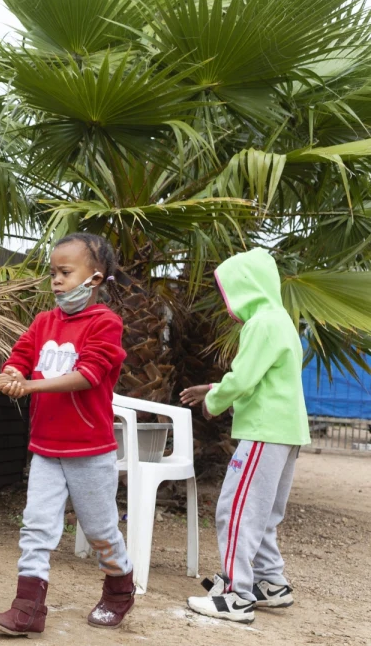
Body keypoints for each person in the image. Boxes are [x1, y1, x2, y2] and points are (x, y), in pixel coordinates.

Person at [0, 232, 134, 636]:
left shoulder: (106, 323)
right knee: (36, 526)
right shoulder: (43, 322)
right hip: (46, 449)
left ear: (96, 278)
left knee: (101, 530)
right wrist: (12, 373)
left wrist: (29, 386)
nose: (56, 281)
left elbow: (88, 376)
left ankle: (119, 591)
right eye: (53, 273)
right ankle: (27, 609)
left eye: (65, 273)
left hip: (90, 450)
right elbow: (19, 357)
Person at [180, 248, 310, 624]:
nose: (227, 303)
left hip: (265, 432)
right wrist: (214, 387)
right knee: (265, 512)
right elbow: (263, 375)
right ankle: (271, 584)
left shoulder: (261, 323)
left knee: (234, 510)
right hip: (286, 433)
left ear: (247, 287)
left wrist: (215, 400)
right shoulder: (281, 320)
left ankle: (237, 596)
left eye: (229, 291)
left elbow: (244, 377)